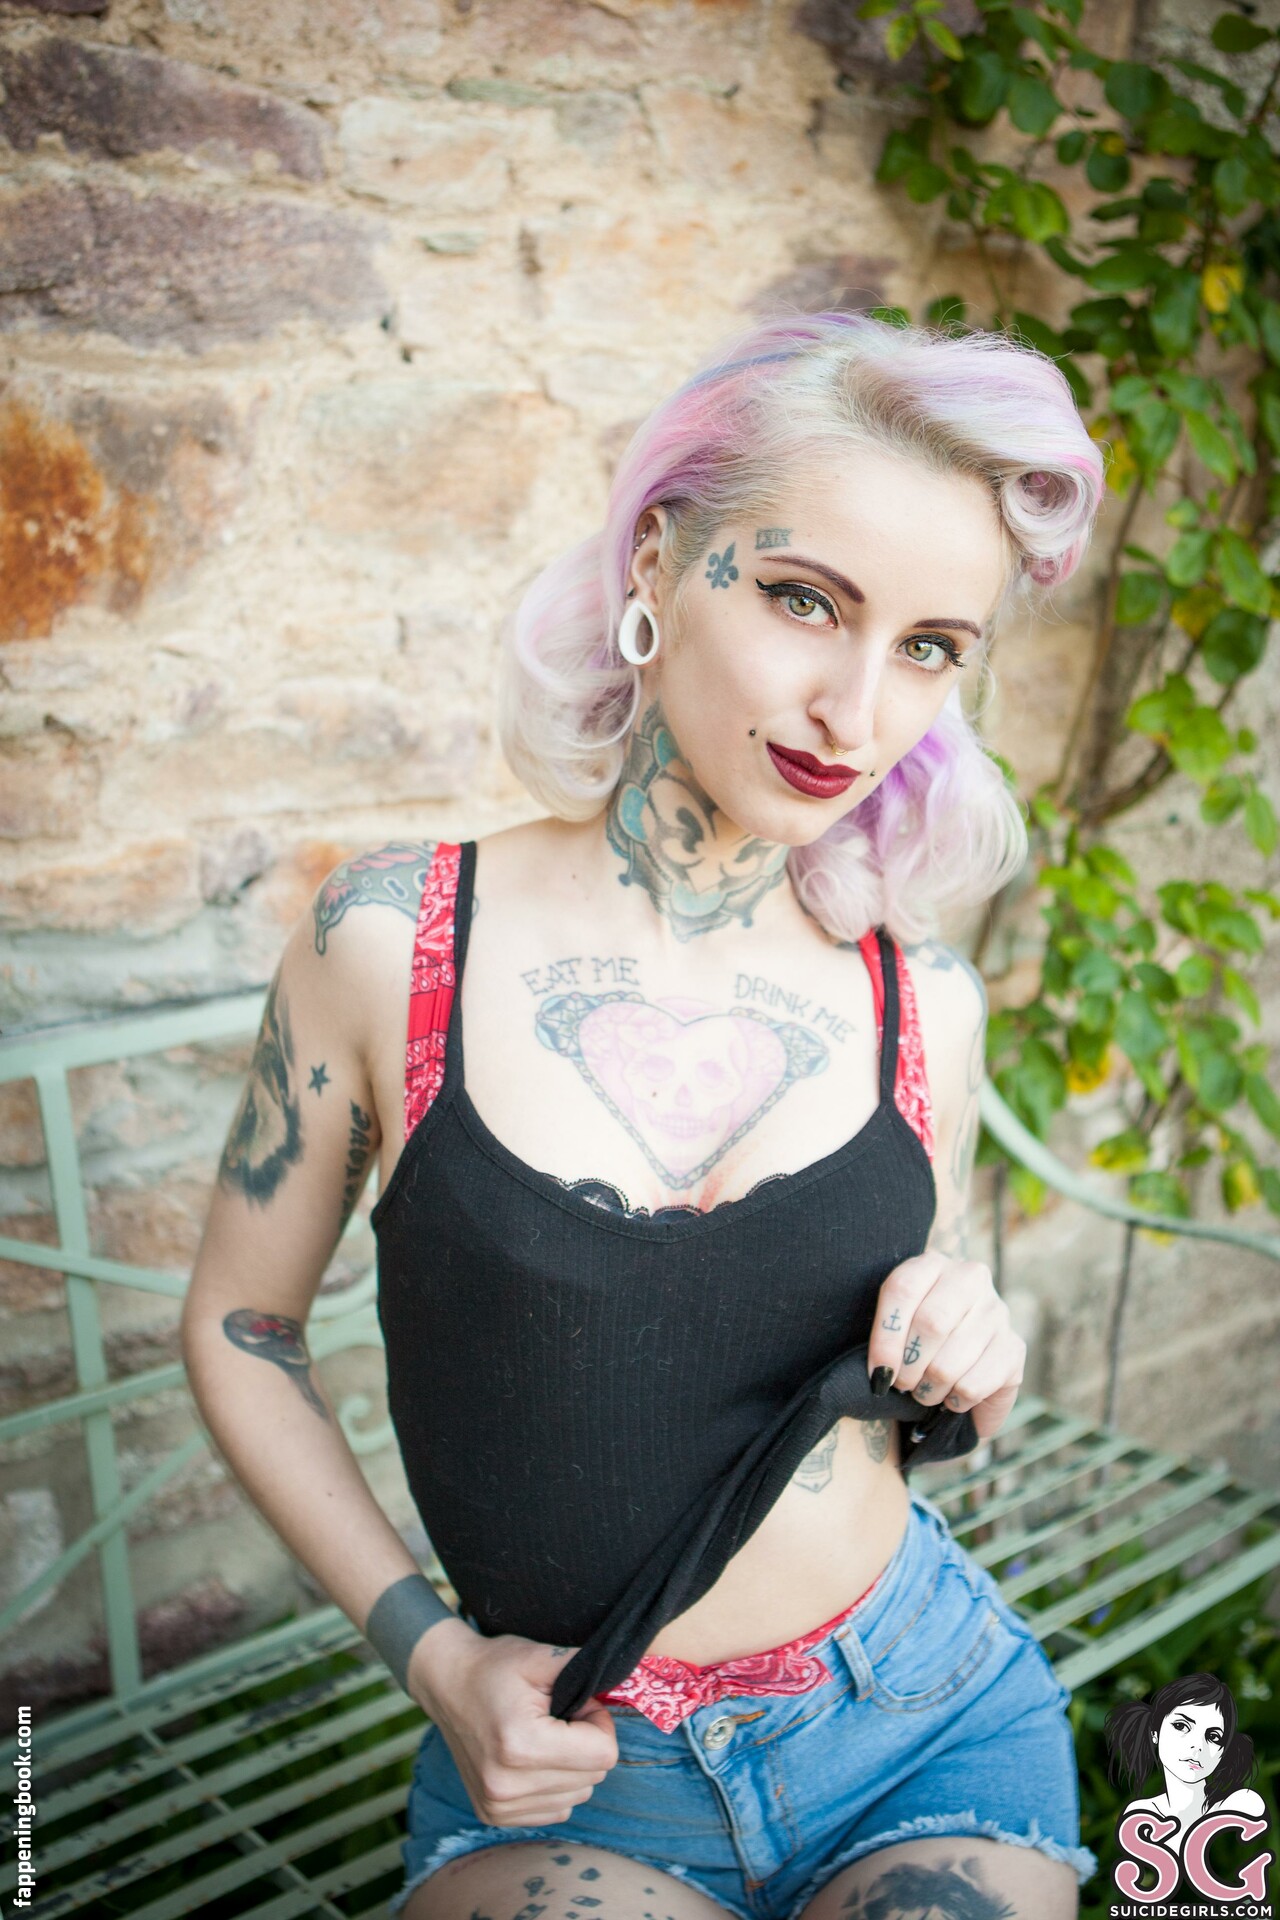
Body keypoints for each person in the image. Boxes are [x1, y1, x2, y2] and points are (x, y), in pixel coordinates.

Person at [182, 311, 1105, 1920]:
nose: (856, 709)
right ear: (660, 563)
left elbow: (909, 1360)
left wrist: (973, 1341)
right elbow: (240, 1327)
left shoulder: (922, 1002)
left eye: (928, 647)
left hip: (923, 1716)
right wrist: (433, 1658)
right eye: (805, 600)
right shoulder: (397, 942)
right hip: (579, 1777)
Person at [1105, 1674, 1264, 1857]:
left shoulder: (1241, 1807)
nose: (1197, 1746)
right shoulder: (1135, 1812)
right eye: (1181, 1726)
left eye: (1213, 1737)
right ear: (1155, 1732)